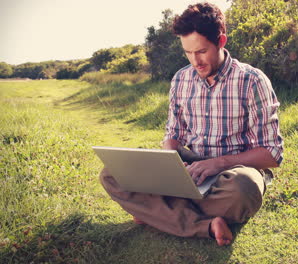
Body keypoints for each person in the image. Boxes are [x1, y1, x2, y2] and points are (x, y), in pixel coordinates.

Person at [99, 2, 283, 246]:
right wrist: (170, 171)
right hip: (189, 169)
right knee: (112, 173)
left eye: (201, 51)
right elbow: (173, 135)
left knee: (245, 188)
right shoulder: (181, 79)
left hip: (231, 173)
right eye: (188, 52)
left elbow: (271, 155)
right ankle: (206, 223)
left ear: (221, 41)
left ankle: (156, 211)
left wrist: (217, 163)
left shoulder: (252, 81)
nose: (195, 61)